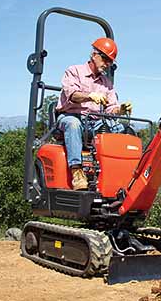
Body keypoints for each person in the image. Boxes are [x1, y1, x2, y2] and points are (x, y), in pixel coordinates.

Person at [55, 37, 132, 190]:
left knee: (122, 130)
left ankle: (121, 173)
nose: (107, 64)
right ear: (94, 54)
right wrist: (89, 95)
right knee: (73, 124)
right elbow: (71, 94)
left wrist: (120, 109)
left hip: (95, 121)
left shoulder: (107, 83)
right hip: (72, 115)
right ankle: (77, 172)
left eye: (110, 61)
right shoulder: (74, 71)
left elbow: (111, 110)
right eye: (105, 59)